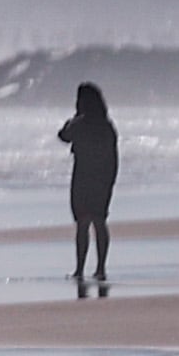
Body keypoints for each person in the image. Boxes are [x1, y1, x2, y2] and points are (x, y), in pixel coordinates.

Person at [59, 80, 118, 291]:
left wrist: (73, 119)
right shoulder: (106, 125)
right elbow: (113, 157)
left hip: (84, 176)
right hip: (101, 178)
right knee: (98, 222)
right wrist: (111, 180)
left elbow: (63, 136)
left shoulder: (80, 123)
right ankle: (100, 267)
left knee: (83, 224)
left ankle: (80, 268)